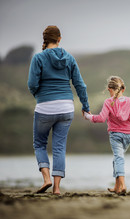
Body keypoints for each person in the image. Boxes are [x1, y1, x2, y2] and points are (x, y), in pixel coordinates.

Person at [28, 25, 90, 195]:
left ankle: (46, 179)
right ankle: (56, 188)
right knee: (59, 147)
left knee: (39, 143)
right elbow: (80, 85)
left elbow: (32, 84)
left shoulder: (38, 58)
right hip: (66, 107)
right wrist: (85, 106)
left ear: (45, 40)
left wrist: (39, 95)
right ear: (59, 39)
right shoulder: (69, 58)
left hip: (45, 107)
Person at [83, 76, 130, 195]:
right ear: (123, 89)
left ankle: (123, 185)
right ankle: (117, 187)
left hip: (115, 135)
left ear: (109, 89)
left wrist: (88, 116)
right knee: (118, 158)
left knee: (118, 158)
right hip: (129, 135)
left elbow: (101, 118)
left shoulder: (108, 102)